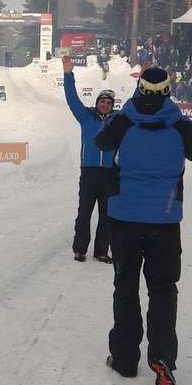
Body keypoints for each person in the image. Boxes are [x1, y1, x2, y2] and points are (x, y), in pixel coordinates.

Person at [94, 64, 192, 385]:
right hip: (165, 221)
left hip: (125, 219)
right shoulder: (180, 123)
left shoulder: (125, 119)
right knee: (163, 289)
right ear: (168, 90)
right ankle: (162, 358)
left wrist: (125, 114)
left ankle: (125, 359)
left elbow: (102, 142)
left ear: (139, 89)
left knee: (125, 286)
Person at [62, 54, 117, 262]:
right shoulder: (86, 117)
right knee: (84, 212)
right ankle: (79, 249)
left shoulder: (117, 120)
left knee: (107, 214)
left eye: (108, 102)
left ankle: (102, 251)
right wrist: (68, 75)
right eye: (102, 101)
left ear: (112, 106)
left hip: (110, 173)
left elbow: (135, 106)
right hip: (89, 172)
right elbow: (72, 100)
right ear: (97, 104)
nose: (104, 104)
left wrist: (143, 81)